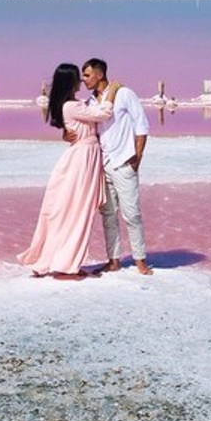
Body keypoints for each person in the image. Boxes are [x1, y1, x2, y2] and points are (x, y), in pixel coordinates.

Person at [18, 63, 118, 279]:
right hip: (82, 159)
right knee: (77, 211)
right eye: (77, 77)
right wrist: (113, 91)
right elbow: (104, 114)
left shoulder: (74, 105)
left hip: (84, 156)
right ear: (70, 82)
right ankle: (66, 262)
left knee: (73, 210)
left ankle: (62, 260)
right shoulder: (72, 106)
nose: (81, 80)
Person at [82, 57, 152, 275]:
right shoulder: (89, 103)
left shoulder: (124, 94)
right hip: (103, 165)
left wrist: (137, 158)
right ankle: (113, 260)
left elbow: (141, 125)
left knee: (132, 215)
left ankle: (140, 260)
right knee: (108, 214)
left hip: (124, 163)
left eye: (87, 75)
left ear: (99, 74)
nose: (84, 80)